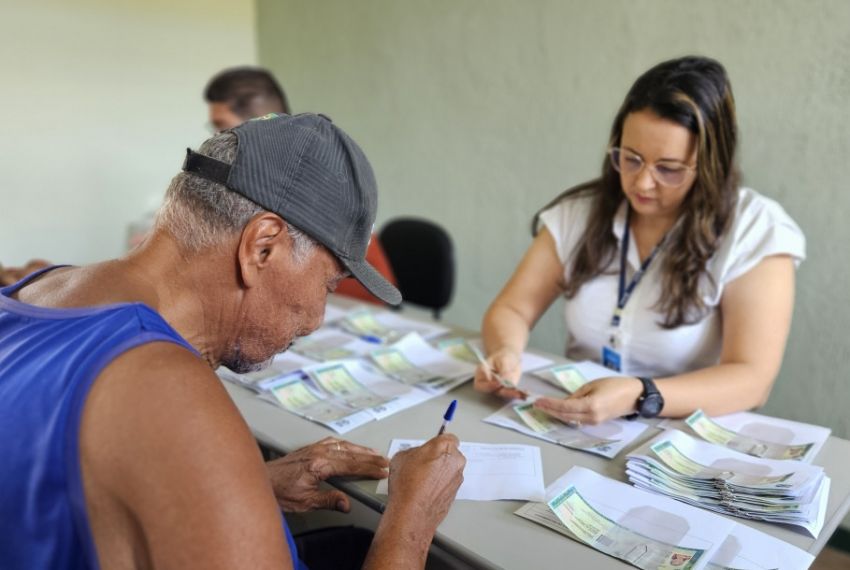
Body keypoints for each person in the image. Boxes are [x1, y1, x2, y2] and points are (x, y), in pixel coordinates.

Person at [0, 113, 465, 569]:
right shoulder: (165, 392)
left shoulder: (33, 291)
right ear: (262, 246)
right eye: (328, 283)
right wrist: (412, 519)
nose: (316, 320)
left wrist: (240, 486)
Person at [474, 56, 805, 427]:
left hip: (682, 432)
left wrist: (639, 394)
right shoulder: (580, 213)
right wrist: (505, 350)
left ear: (710, 164)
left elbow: (752, 378)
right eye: (630, 159)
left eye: (668, 168)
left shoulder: (755, 228)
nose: (642, 183)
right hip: (580, 427)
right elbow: (512, 310)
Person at [204, 66, 396, 305]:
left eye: (222, 127)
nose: (215, 138)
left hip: (351, 304)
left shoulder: (307, 177)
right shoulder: (258, 180)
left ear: (257, 126)